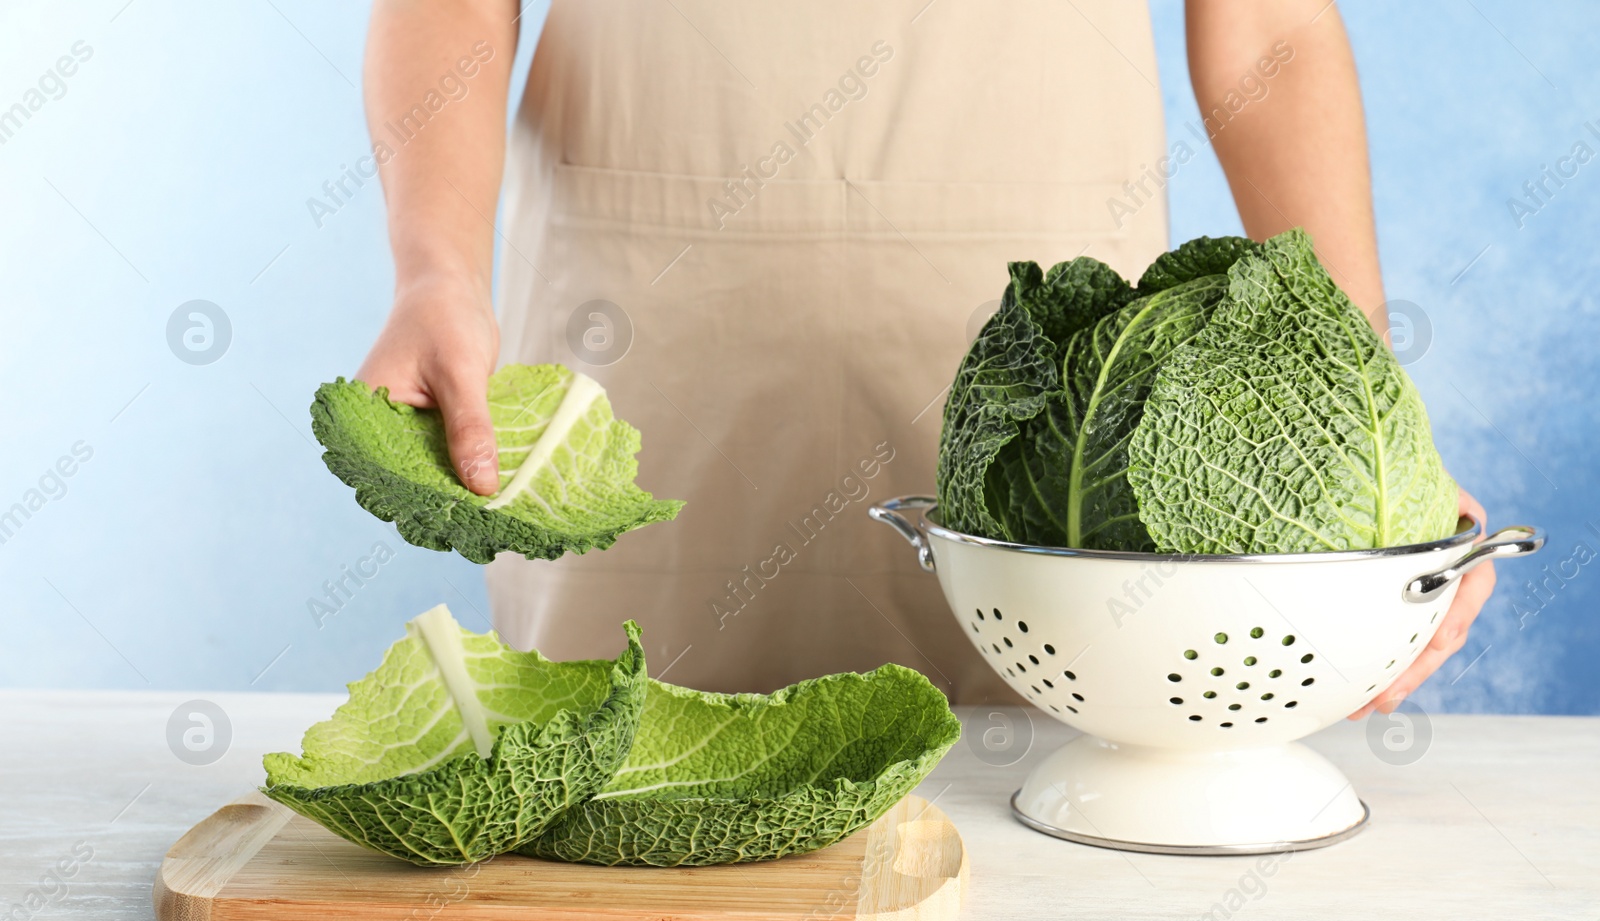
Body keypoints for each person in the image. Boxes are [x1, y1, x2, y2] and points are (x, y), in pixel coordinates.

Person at [354, 0, 1493, 715]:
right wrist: (433, 272)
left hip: (1054, 390)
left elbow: (1268, 27)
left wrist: (1357, 402)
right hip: (645, 339)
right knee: (616, 821)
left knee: (1046, 866)